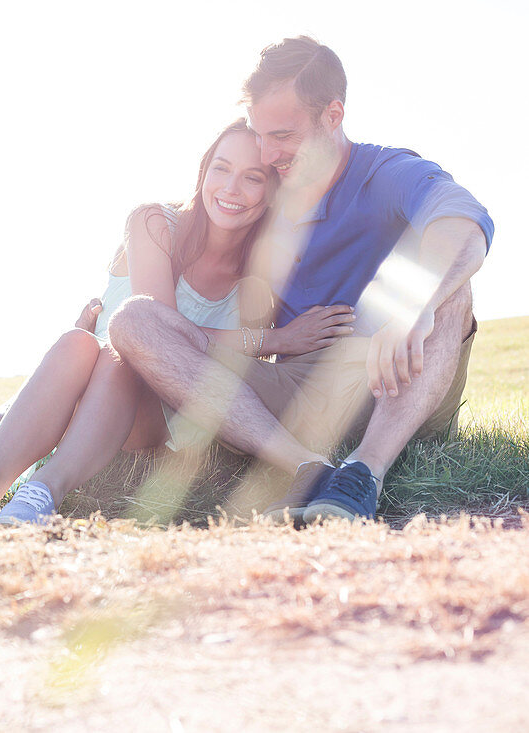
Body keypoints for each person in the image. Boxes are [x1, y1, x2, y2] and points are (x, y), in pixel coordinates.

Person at [108, 36, 494, 524]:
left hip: (395, 376)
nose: (267, 154)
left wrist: (413, 308)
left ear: (333, 116)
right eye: (259, 134)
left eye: (283, 136)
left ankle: (362, 473)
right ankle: (305, 467)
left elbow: (466, 224)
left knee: (454, 288)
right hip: (294, 389)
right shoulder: (262, 200)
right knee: (136, 319)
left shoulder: (385, 171)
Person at [0, 120, 354, 526]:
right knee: (81, 341)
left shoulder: (256, 285)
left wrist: (278, 339)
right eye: (221, 169)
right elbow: (155, 321)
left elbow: (162, 351)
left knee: (123, 357)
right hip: (77, 389)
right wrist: (272, 339)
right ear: (203, 172)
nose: (230, 188)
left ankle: (41, 493)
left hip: (156, 414)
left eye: (252, 177)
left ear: (270, 192)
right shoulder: (153, 224)